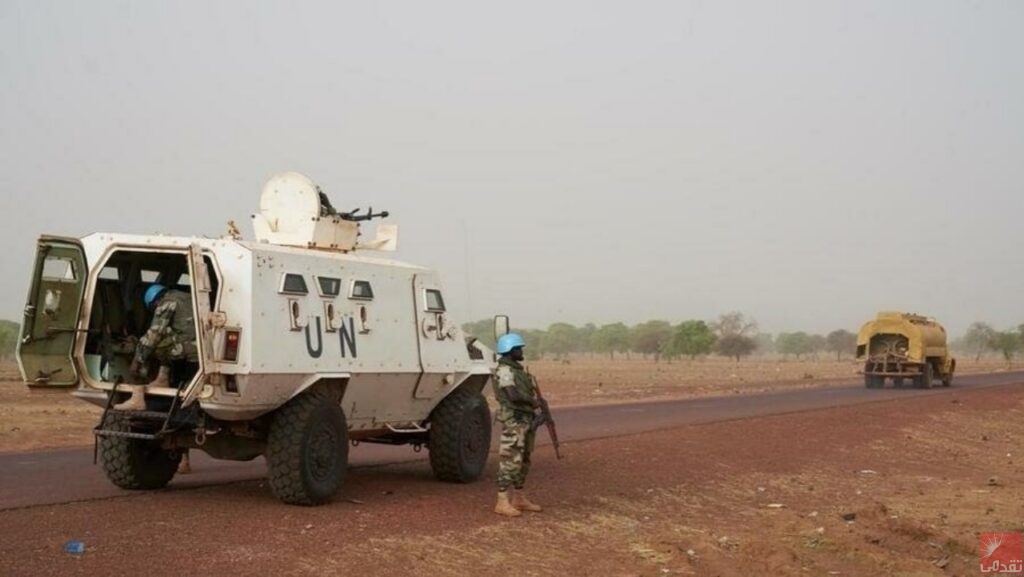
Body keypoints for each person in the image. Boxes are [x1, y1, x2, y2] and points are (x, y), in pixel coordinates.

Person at [114, 284, 199, 411]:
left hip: (189, 347)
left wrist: (138, 359)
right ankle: (162, 378)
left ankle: (138, 396)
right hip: (202, 348)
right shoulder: (187, 297)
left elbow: (155, 334)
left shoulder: (167, 303)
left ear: (155, 302)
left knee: (153, 348)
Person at [492, 332, 544, 517]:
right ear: (510, 350)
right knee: (510, 460)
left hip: (524, 419)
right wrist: (533, 402)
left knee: (524, 461)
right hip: (514, 420)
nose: (521, 351)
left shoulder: (517, 370)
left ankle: (519, 498)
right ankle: (502, 501)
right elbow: (512, 395)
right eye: (519, 348)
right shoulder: (504, 371)